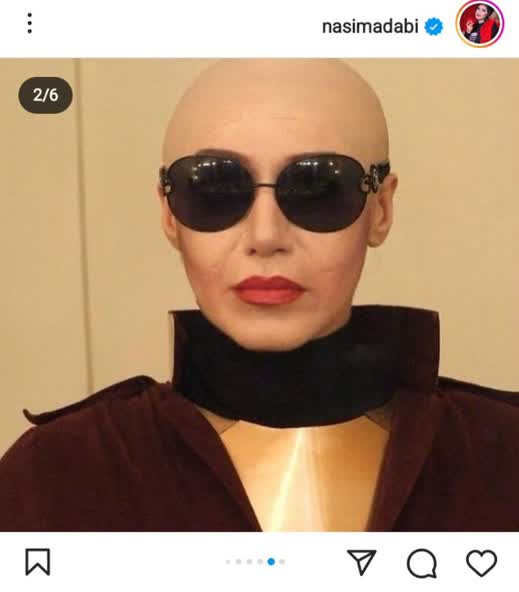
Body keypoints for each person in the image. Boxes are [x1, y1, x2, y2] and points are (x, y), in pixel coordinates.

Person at [0, 58, 518, 532]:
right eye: (215, 190)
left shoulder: (501, 457)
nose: (266, 236)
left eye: (317, 189)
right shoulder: (56, 475)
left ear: (380, 209)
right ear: (168, 215)